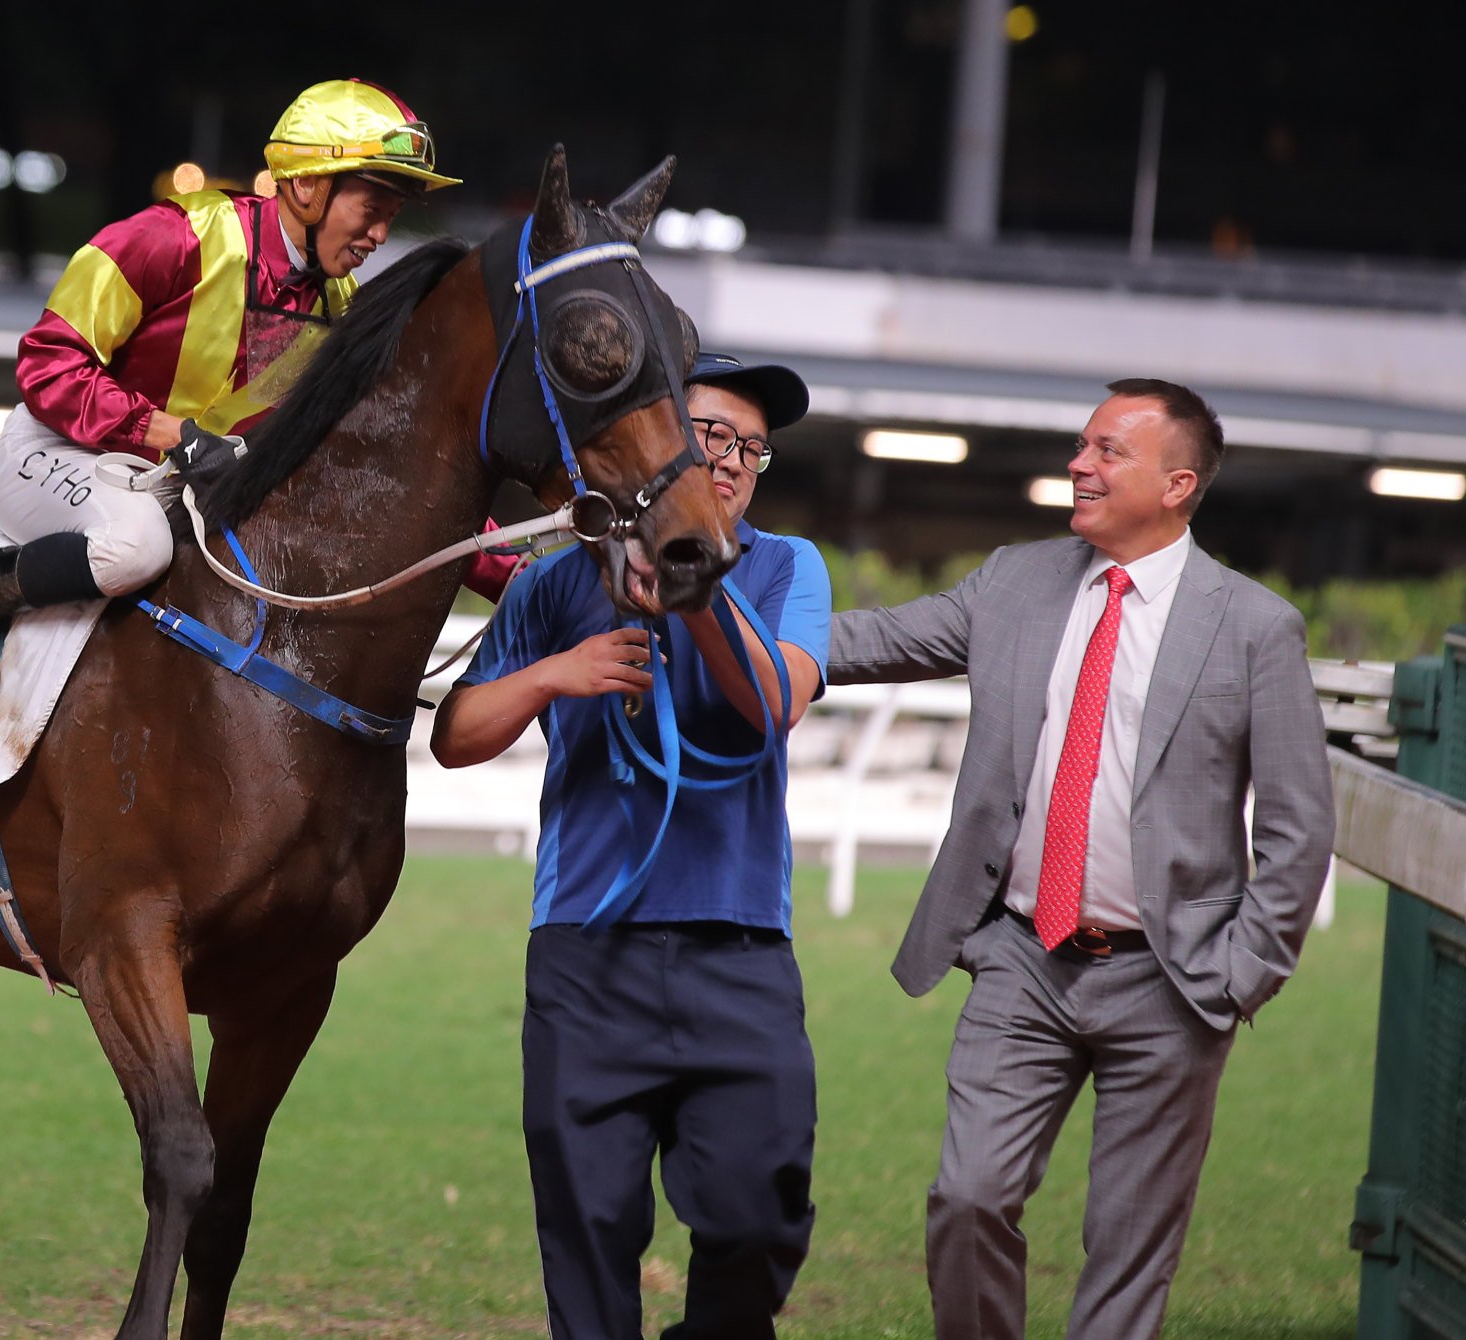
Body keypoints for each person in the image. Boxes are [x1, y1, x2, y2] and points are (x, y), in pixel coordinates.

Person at [827, 378, 1335, 1339]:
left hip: (1171, 981)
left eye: (1108, 451)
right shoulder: (1015, 580)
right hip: (1021, 958)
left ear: (1177, 483)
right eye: (1082, 446)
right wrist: (707, 599)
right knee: (968, 1196)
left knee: (1127, 1251)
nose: (1078, 464)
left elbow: (1298, 827)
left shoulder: (1254, 627)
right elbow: (874, 641)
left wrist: (1238, 975)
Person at [0, 77, 514, 721]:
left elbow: (383, 462)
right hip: (59, 449)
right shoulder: (174, 238)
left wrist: (506, 571)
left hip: (190, 489)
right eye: (372, 208)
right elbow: (48, 364)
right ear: (307, 186)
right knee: (136, 548)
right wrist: (173, 436)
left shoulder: (344, 311)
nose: (382, 235)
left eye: (394, 215)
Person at [431, 352, 828, 1340]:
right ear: (652, 443)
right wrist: (555, 673)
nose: (729, 458)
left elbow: (775, 698)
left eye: (750, 446)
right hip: (585, 954)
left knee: (757, 1207)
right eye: (709, 435)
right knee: (586, 1230)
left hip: (738, 952)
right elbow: (455, 736)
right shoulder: (555, 581)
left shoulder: (786, 567)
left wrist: (693, 588)